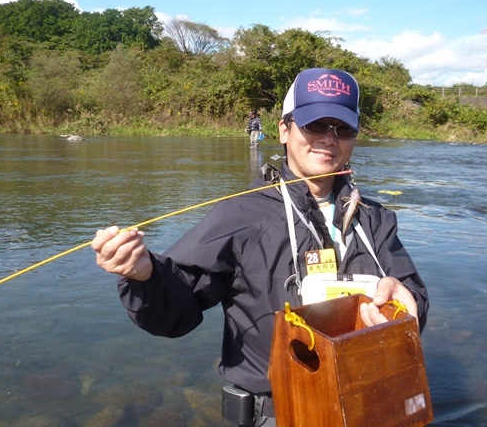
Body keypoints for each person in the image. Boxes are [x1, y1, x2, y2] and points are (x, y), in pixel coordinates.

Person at [92, 68, 429, 426]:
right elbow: (177, 313)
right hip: (280, 413)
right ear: (284, 129)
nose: (330, 139)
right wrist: (144, 275)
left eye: (342, 128)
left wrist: (405, 303)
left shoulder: (374, 218)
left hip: (371, 404)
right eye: (315, 125)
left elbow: (413, 297)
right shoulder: (241, 213)